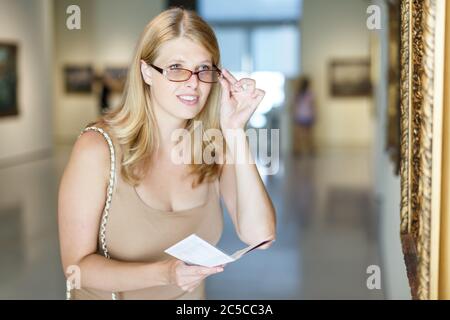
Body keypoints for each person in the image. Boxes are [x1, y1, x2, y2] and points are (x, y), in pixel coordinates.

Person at [58, 7, 276, 300]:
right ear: (147, 71)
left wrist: (235, 130)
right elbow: (76, 269)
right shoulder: (97, 148)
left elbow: (260, 236)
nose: (193, 82)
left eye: (203, 68)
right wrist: (166, 273)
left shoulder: (212, 147)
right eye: (176, 67)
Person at [293, 77, 316, 156]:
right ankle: (308, 150)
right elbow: (313, 105)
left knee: (300, 134)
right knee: (307, 134)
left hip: (301, 115)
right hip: (306, 115)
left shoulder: (299, 93)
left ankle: (300, 150)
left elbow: (294, 105)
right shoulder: (308, 93)